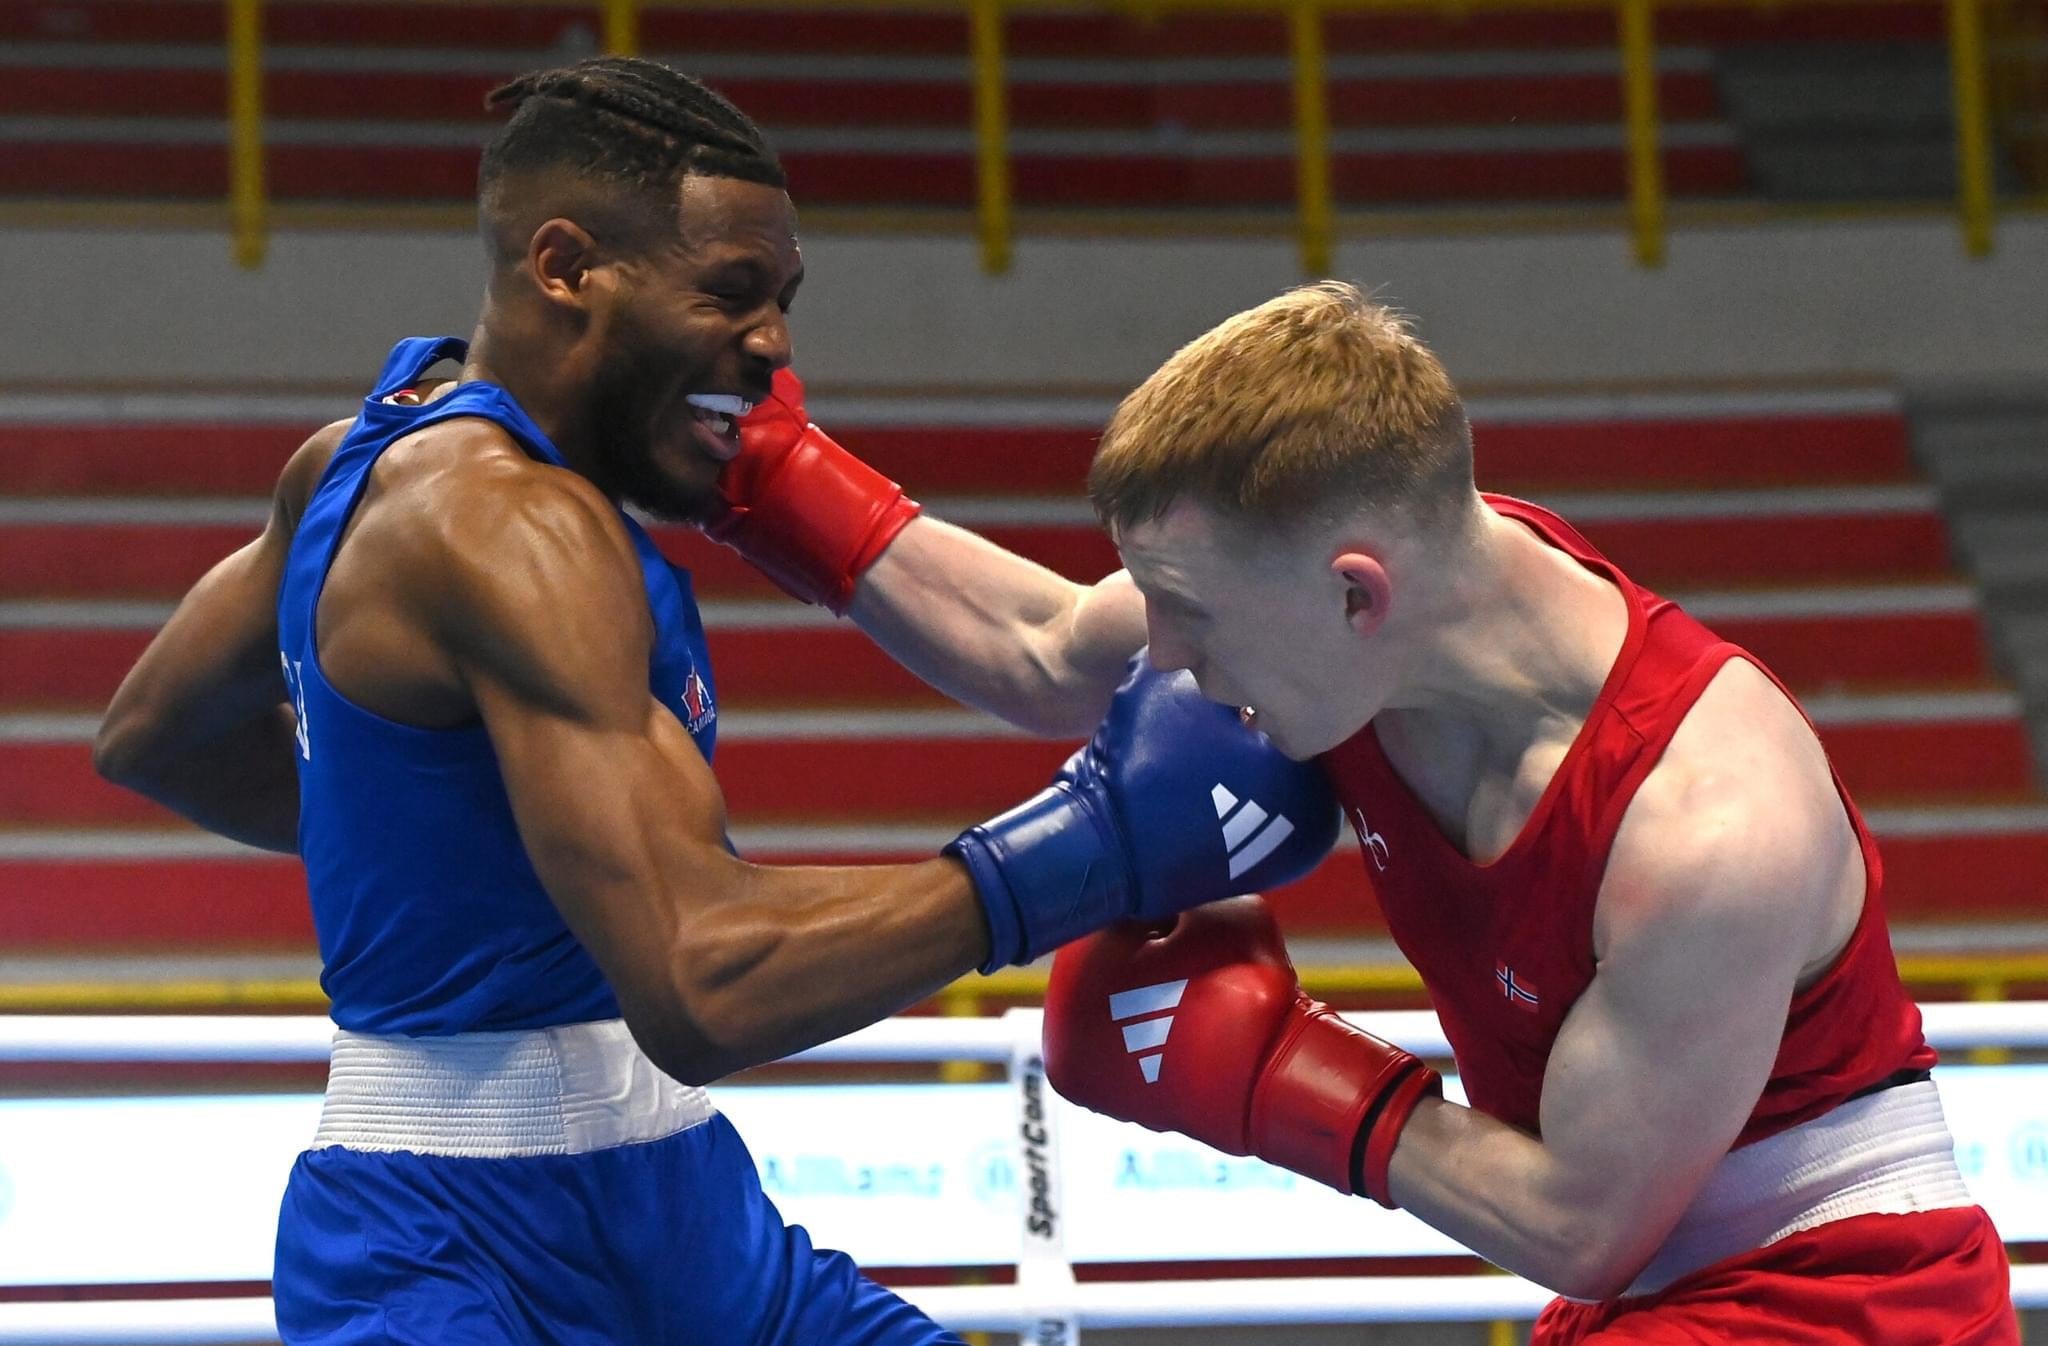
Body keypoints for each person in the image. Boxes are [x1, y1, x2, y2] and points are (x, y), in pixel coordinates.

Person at [89, 58, 1336, 1345]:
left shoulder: (356, 461)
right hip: (451, 1249)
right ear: (564, 268)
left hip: (674, 1200)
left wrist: (443, 835)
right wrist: (1087, 851)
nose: (775, 347)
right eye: (730, 294)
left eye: (782, 300)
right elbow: (703, 987)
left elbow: (155, 735)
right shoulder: (509, 525)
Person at [1000, 281, 2018, 1342]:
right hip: (1628, 1300)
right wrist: (804, 482)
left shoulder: (1708, 820)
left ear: (1356, 594)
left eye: (1189, 615)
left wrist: (1271, 1068)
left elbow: (1577, 1223)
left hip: (1839, 1295)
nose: (1162, 651)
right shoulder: (1360, 619)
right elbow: (1034, 641)